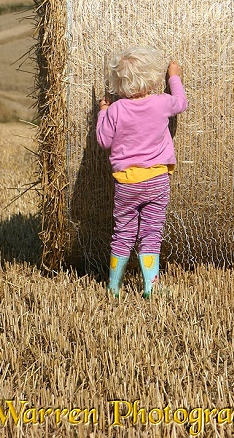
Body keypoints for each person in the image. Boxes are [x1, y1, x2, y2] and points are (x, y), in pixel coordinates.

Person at [96, 46, 188, 298]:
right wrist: (174, 77)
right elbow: (181, 103)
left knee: (123, 233)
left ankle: (113, 287)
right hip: (157, 180)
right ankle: (151, 286)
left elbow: (104, 141)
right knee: (151, 232)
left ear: (119, 84)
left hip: (127, 183)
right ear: (151, 78)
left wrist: (103, 111)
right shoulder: (160, 103)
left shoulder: (116, 110)